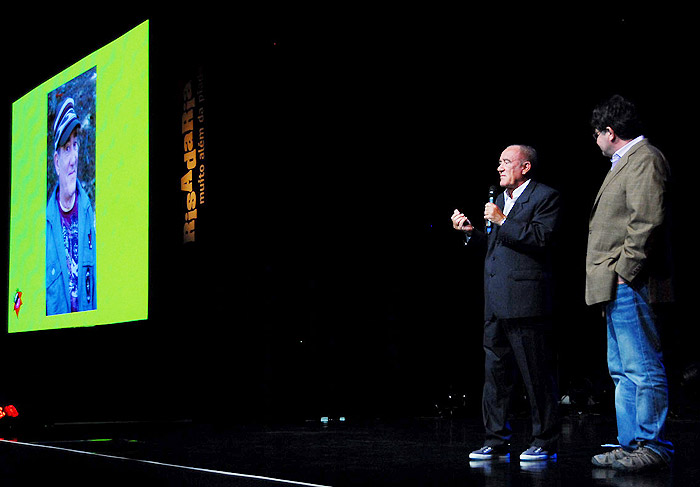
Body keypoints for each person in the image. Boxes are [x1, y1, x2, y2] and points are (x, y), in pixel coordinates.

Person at [451, 144, 561, 462]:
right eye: (498, 162)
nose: (499, 168)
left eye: (505, 162)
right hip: (495, 301)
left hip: (526, 301)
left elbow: (542, 239)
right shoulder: (500, 200)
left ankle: (545, 440)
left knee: (535, 374)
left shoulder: (545, 196)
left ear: (525, 167)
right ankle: (496, 440)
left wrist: (501, 221)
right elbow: (499, 245)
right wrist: (473, 233)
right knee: (495, 375)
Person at [586, 94, 674, 472]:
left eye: (596, 133)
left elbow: (647, 220)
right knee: (621, 370)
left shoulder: (645, 159)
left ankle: (653, 445)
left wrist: (626, 270)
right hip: (614, 283)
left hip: (630, 283)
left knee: (642, 367)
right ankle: (631, 443)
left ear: (610, 131)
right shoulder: (625, 162)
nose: (595, 140)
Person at [46, 97, 97, 316]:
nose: (74, 157)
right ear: (57, 162)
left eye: (75, 145)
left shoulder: (89, 214)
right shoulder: (42, 227)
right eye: (67, 148)